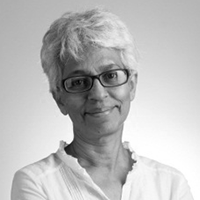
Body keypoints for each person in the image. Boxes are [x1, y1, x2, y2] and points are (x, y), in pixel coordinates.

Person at [11, 8, 193, 200]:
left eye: (111, 75)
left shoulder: (170, 183)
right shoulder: (36, 183)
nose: (98, 94)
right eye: (79, 81)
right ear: (59, 98)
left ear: (131, 85)